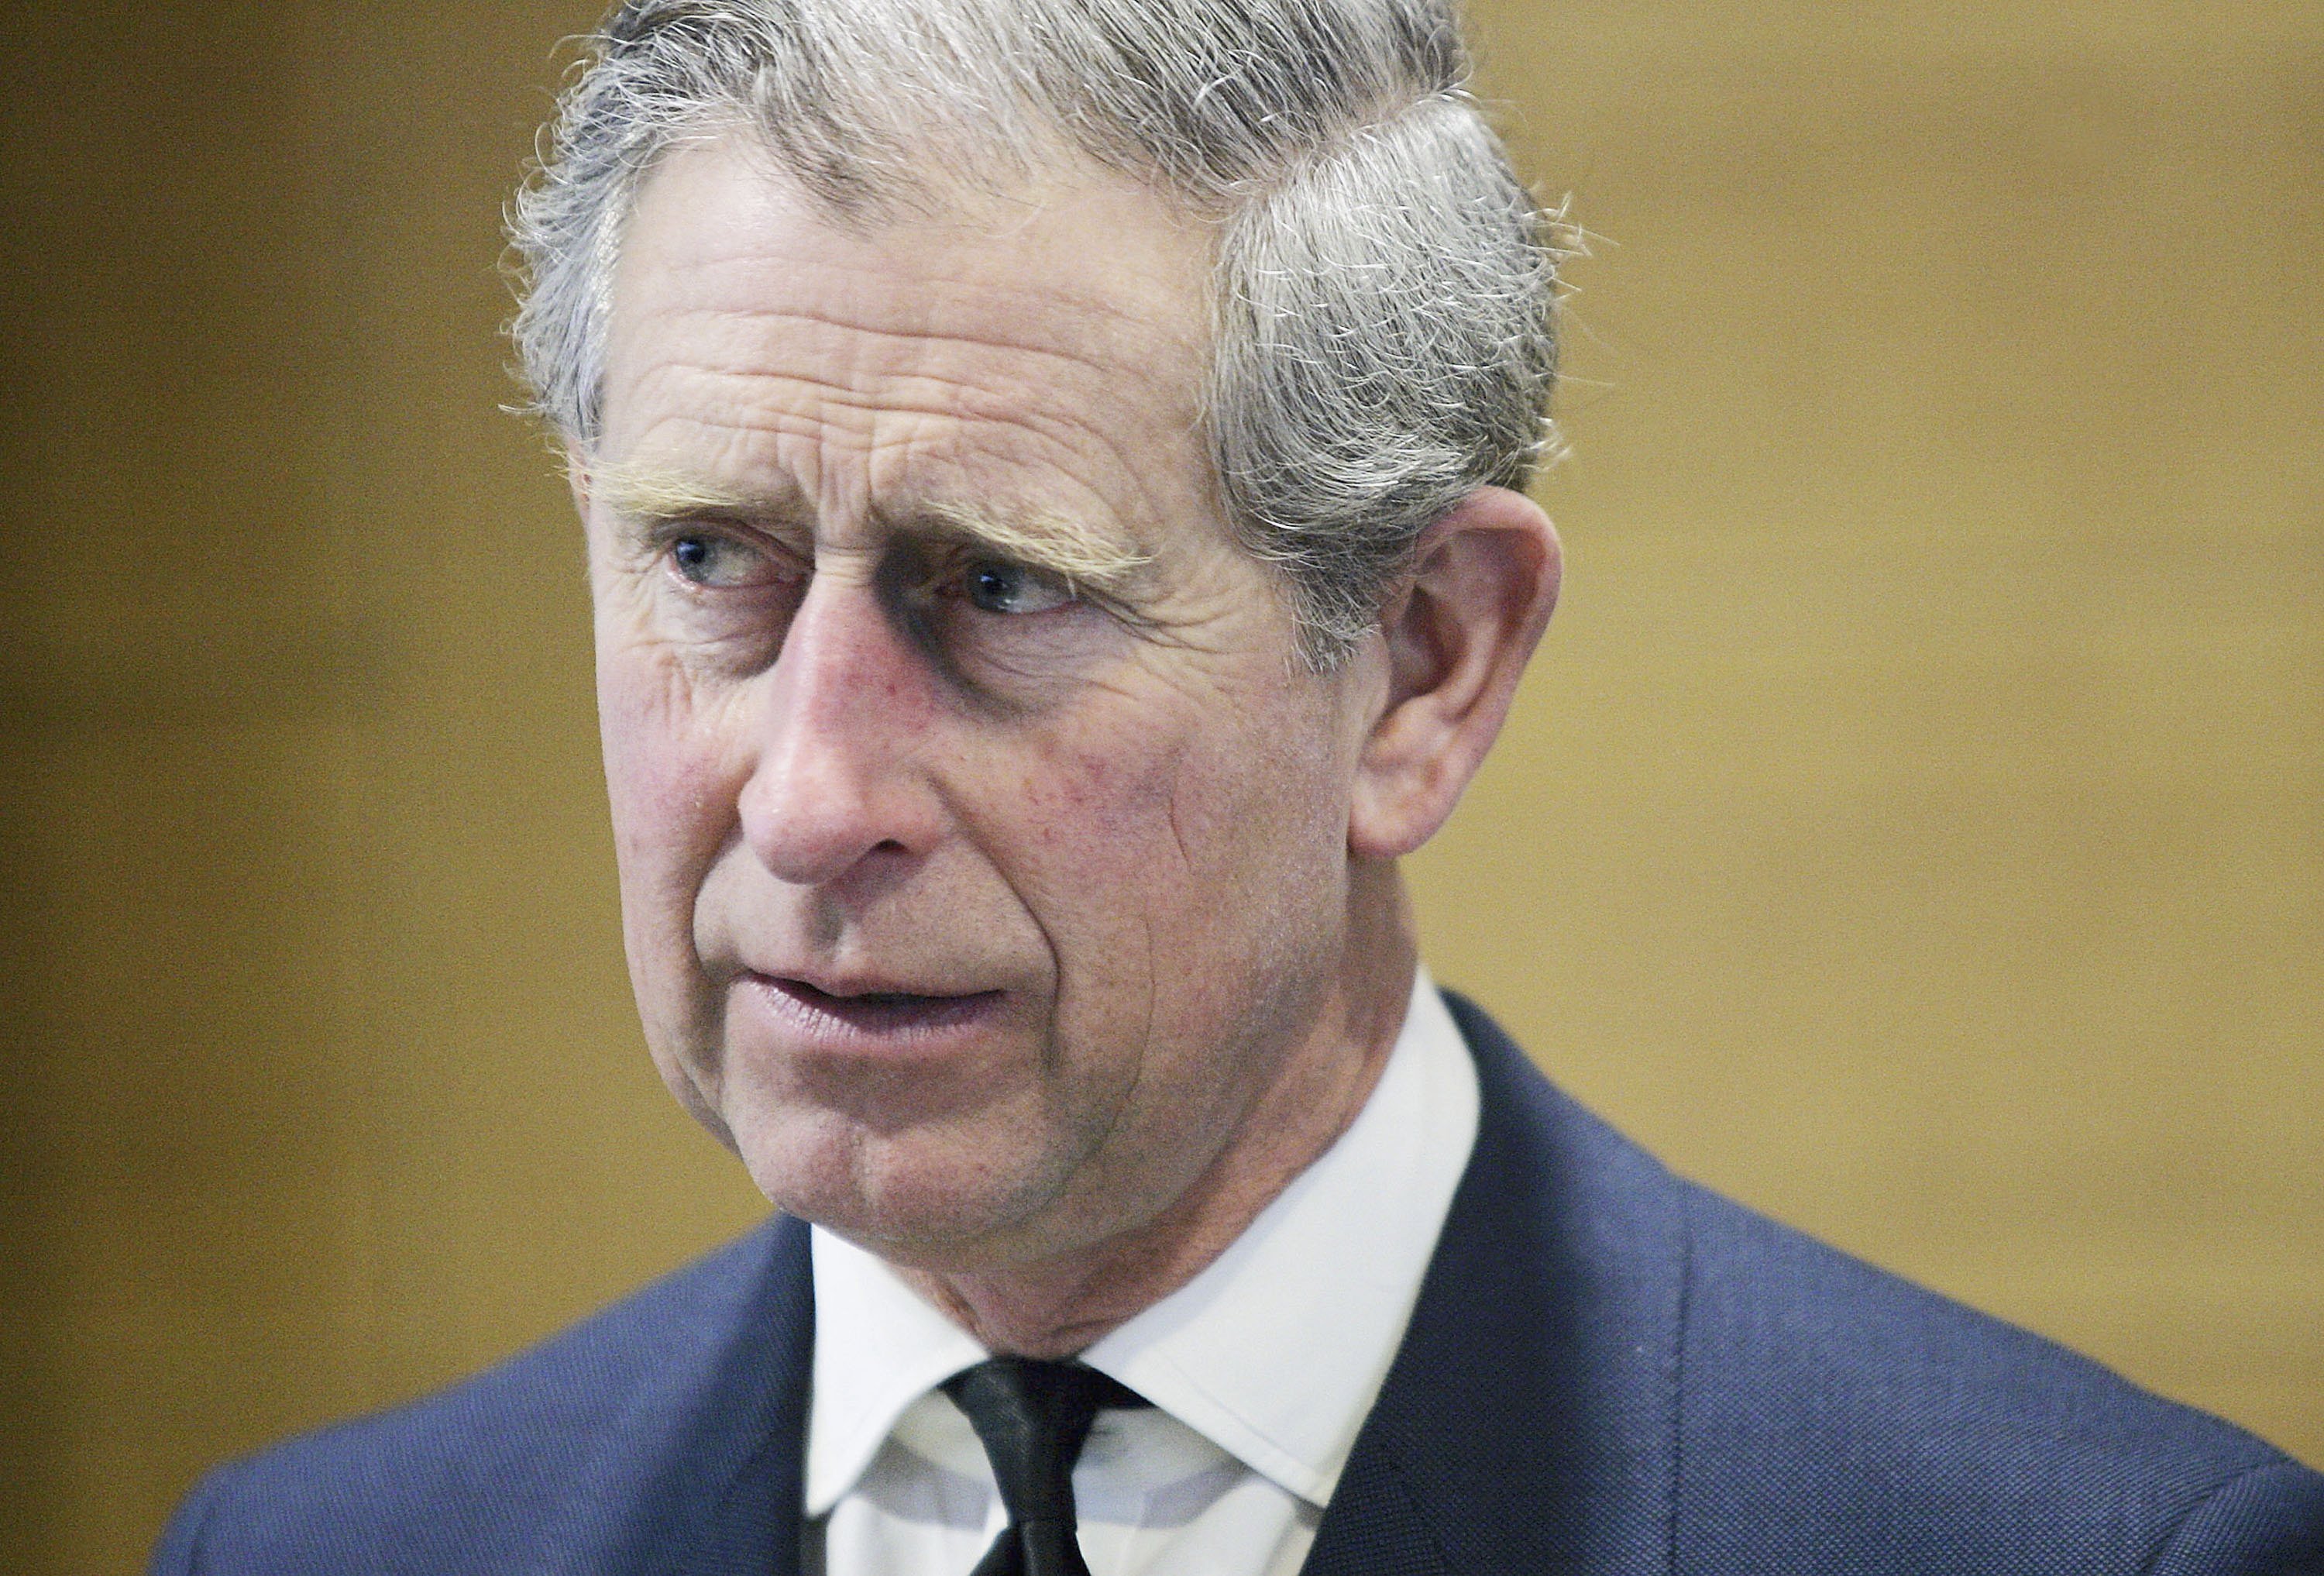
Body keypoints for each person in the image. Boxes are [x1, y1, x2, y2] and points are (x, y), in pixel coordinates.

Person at [153, 2, 2324, 1572]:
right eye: (711, 560)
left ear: (1422, 664)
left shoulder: (2075, 1550)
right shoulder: (316, 1552)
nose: (808, 799)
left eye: (999, 586)